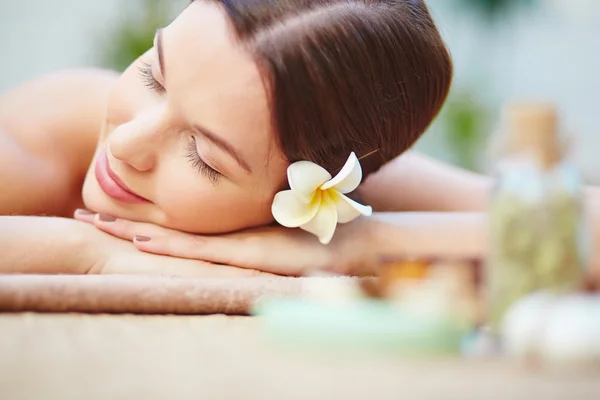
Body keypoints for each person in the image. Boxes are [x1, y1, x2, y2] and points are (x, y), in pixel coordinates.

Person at [1, 0, 597, 279]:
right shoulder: (31, 152)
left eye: (205, 157)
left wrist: (366, 243)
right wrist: (90, 254)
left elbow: (584, 226)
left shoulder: (326, 190)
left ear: (298, 201)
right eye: (155, 72)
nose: (127, 143)